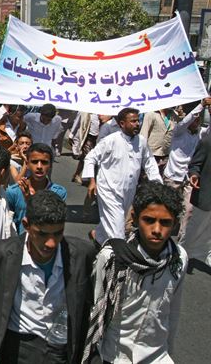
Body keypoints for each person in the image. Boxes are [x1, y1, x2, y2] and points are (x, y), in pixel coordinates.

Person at [0, 191, 96, 364]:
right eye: (43, 234)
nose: (51, 243)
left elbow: (88, 310)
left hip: (60, 350)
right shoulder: (2, 254)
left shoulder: (82, 255)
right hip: (17, 349)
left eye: (57, 233)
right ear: (26, 225)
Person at [82, 182, 188, 363]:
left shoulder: (178, 258)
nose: (156, 229)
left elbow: (173, 311)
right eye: (149, 220)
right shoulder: (112, 258)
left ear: (175, 224)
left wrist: (169, 350)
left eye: (165, 223)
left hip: (157, 355)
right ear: (135, 217)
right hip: (115, 355)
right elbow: (95, 308)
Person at [83, 108, 162, 246]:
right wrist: (91, 181)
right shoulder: (111, 141)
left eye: (138, 121)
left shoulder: (141, 142)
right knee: (118, 228)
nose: (137, 124)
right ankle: (119, 258)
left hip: (128, 191)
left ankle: (98, 237)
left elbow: (149, 163)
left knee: (114, 220)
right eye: (133, 121)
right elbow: (90, 158)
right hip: (109, 190)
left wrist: (157, 184)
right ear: (121, 124)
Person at [6, 142, 67, 234]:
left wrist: (29, 200)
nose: (39, 166)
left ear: (50, 165)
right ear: (27, 164)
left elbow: (52, 222)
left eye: (44, 162)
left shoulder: (58, 193)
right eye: (34, 162)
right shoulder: (13, 192)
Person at [181, 131, 211, 267]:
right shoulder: (207, 142)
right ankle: (181, 255)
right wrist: (194, 174)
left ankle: (207, 255)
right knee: (194, 230)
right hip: (206, 195)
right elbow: (195, 164)